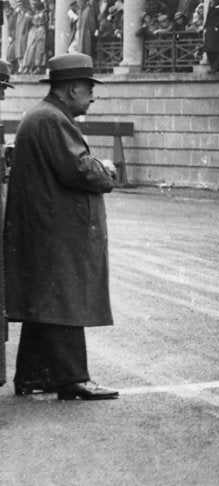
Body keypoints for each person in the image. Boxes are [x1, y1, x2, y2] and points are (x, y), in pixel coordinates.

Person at [4, 53, 119, 399]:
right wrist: (106, 170)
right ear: (71, 90)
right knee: (64, 301)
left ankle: (33, 375)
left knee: (46, 304)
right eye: (88, 88)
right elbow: (80, 169)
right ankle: (73, 379)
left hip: (44, 228)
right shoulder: (53, 120)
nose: (92, 95)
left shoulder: (44, 116)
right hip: (55, 232)